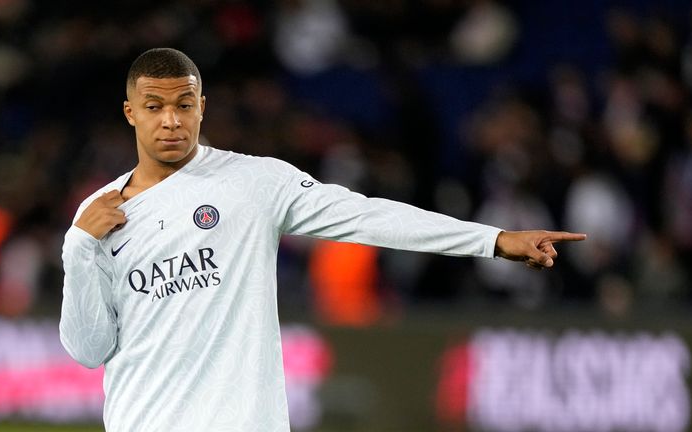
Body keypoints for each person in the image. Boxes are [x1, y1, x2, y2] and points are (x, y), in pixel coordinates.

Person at [59, 47, 586, 431]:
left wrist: (493, 239)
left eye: (184, 104)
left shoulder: (254, 183)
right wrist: (78, 249)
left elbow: (366, 216)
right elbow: (89, 350)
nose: (171, 120)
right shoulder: (98, 216)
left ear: (203, 107)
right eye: (154, 106)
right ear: (131, 113)